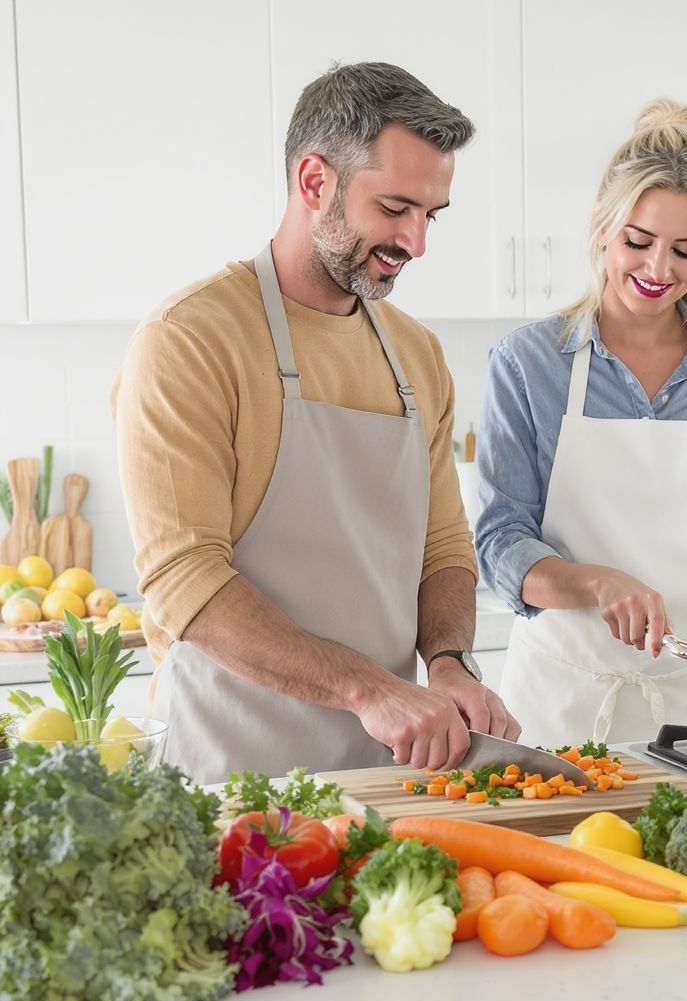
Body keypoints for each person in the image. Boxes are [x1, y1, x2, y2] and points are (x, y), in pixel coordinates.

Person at [112, 62, 519, 784]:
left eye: (432, 214)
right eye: (395, 208)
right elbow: (184, 579)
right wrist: (368, 689)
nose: (416, 242)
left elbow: (445, 547)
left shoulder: (418, 354)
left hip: (387, 770)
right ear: (314, 182)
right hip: (232, 772)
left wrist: (449, 664)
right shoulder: (189, 338)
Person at [475, 100, 687, 749]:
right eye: (637, 242)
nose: (658, 271)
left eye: (686, 251)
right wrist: (598, 582)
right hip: (561, 709)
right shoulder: (528, 365)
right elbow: (500, 546)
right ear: (602, 227)